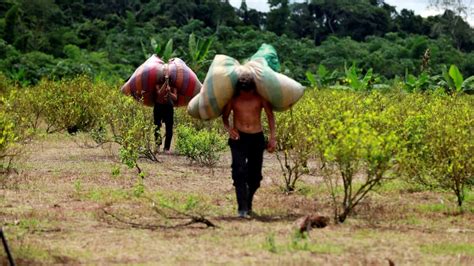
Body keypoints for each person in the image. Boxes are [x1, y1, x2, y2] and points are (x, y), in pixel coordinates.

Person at [222, 72, 276, 219]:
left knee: (255, 177)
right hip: (239, 138)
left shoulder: (260, 98)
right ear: (239, 90)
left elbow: (270, 115)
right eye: (243, 93)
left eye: (249, 93)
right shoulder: (233, 99)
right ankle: (242, 208)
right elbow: (225, 117)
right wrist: (229, 129)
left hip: (256, 139)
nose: (246, 95)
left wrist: (273, 137)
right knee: (238, 171)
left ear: (253, 89)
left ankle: (248, 201)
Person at [154, 80, 177, 154]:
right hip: (158, 106)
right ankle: (157, 145)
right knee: (157, 126)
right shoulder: (158, 84)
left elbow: (175, 98)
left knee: (169, 127)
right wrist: (165, 83)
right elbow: (159, 93)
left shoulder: (173, 87)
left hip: (169, 107)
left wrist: (169, 92)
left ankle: (166, 148)